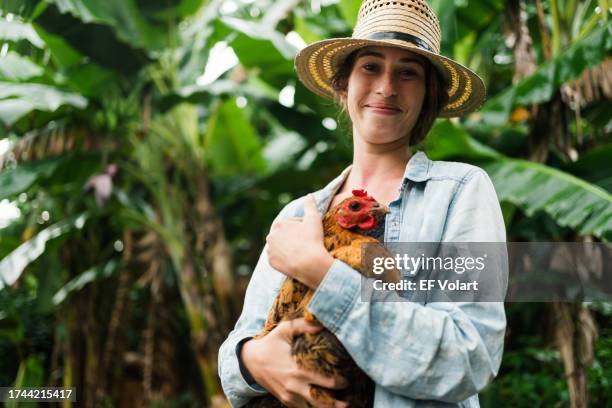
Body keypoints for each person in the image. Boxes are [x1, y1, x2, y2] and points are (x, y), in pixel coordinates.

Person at [218, 0, 507, 407]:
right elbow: (238, 348)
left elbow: (468, 356)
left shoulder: (460, 193)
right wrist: (250, 359)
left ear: (428, 97)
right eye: (370, 66)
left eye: (408, 73)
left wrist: (320, 271)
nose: (387, 87)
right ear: (343, 84)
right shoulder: (297, 217)